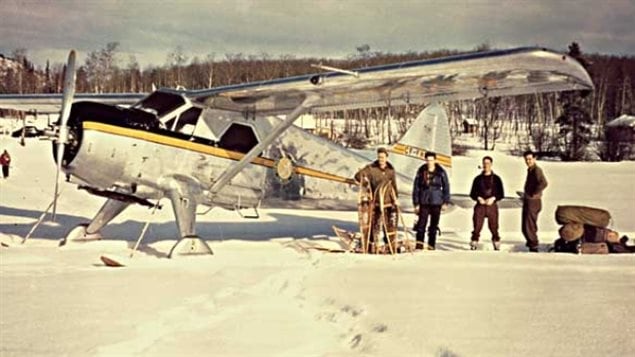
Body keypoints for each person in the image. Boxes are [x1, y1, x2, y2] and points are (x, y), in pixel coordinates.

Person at [354, 147, 398, 253]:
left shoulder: (390, 170)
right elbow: (358, 176)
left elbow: (394, 185)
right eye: (379, 157)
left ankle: (390, 246)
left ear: (386, 157)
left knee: (388, 226)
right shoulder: (371, 169)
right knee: (375, 225)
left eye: (383, 157)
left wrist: (395, 198)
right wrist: (364, 183)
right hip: (376, 202)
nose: (381, 159)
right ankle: (371, 246)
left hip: (388, 202)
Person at [413, 151, 450, 250]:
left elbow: (446, 186)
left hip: (436, 201)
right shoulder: (421, 171)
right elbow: (416, 187)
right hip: (424, 200)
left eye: (431, 160)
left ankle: (431, 245)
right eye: (428, 160)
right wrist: (416, 203)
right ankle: (419, 245)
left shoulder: (441, 172)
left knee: (433, 226)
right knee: (421, 225)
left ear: (435, 160)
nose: (429, 162)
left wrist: (446, 201)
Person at [469, 156, 505, 250]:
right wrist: (478, 198)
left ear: (491, 164)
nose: (486, 165)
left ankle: (496, 242)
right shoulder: (477, 179)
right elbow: (472, 193)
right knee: (477, 225)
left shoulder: (497, 179)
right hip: (480, 205)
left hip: (491, 205)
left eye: (488, 163)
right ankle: (474, 242)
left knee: (494, 226)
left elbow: (501, 194)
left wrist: (493, 198)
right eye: (484, 163)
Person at [521, 150, 548, 252]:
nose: (528, 161)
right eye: (526, 159)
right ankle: (531, 244)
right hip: (528, 200)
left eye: (530, 159)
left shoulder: (537, 170)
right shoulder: (530, 170)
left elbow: (544, 183)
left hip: (534, 202)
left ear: (534, 159)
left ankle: (534, 246)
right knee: (525, 226)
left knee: (529, 225)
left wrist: (533, 193)